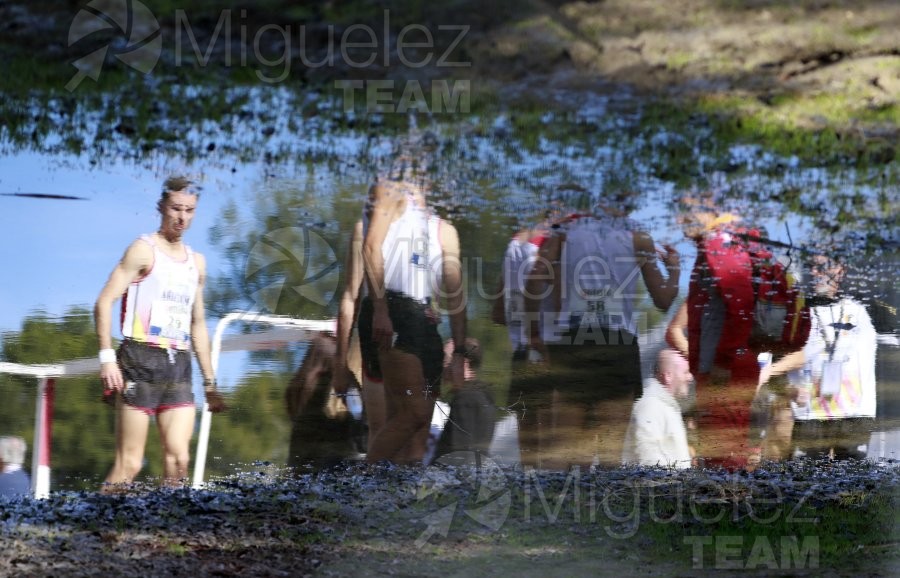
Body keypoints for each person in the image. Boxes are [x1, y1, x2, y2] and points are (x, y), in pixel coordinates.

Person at [521, 196, 680, 468]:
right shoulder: (638, 238)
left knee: (568, 451)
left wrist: (534, 333)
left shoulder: (564, 233)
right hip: (617, 343)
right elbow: (664, 300)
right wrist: (675, 269)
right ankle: (602, 507)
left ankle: (561, 507)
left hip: (574, 341)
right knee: (610, 454)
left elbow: (534, 282)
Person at [94, 175, 226, 489]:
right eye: (176, 209)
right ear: (162, 208)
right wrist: (107, 359)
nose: (182, 217)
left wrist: (210, 382)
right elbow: (103, 303)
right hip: (139, 358)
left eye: (189, 210)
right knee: (131, 464)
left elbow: (197, 325)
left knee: (179, 461)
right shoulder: (143, 250)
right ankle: (92, 531)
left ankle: (167, 532)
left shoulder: (197, 263)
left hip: (178, 364)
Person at [361, 173, 467, 465]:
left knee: (418, 431)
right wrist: (381, 310)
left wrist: (459, 351)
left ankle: (398, 503)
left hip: (424, 321)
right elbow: (370, 248)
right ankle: (357, 488)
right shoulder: (389, 190)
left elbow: (456, 294)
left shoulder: (442, 229)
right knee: (410, 414)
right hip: (393, 311)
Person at [758, 254, 877, 459]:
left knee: (854, 485)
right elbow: (779, 364)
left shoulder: (860, 311)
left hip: (855, 413)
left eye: (823, 267)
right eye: (812, 267)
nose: (815, 273)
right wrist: (790, 389)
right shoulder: (799, 311)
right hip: (811, 413)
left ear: (840, 270)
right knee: (808, 483)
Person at [286, 332, 364, 469]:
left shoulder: (297, 387)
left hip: (300, 463)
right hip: (330, 462)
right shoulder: (333, 357)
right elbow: (360, 410)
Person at [621, 349, 694, 468]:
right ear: (668, 376)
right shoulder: (650, 405)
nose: (690, 377)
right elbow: (649, 458)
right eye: (685, 372)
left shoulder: (665, 405)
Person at [432, 337, 497, 462]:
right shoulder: (481, 395)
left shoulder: (465, 399)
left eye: (445, 358)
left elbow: (460, 454)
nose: (442, 365)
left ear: (462, 363)